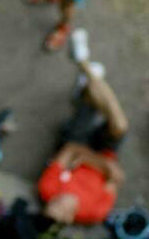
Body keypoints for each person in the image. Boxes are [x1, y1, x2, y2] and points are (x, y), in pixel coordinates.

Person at [37, 51, 128, 225]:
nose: (57, 199)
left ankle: (86, 70)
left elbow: (70, 149)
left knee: (90, 109)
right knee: (120, 126)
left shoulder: (47, 189)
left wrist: (89, 160)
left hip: (76, 142)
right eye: (59, 207)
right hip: (105, 152)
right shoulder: (94, 212)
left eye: (52, 202)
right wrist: (91, 161)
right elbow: (116, 178)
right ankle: (87, 74)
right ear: (70, 218)